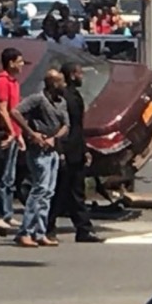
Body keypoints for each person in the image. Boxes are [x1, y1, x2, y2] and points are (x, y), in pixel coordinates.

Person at [10, 70, 69, 248]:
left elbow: (66, 125)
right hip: (38, 151)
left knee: (48, 192)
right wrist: (31, 133)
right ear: (53, 84)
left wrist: (55, 138)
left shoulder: (61, 102)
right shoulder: (38, 99)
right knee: (39, 189)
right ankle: (25, 232)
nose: (64, 85)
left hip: (53, 151)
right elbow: (15, 112)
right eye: (61, 82)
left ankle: (40, 232)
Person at [46, 64, 103, 243]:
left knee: (76, 192)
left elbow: (79, 127)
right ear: (71, 75)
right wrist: (62, 150)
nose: (81, 77)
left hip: (77, 149)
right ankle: (47, 227)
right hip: (66, 150)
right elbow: (64, 126)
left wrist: (84, 149)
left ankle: (83, 229)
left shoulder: (74, 95)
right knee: (59, 192)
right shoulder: (64, 98)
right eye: (79, 74)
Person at [0, 48, 26, 235]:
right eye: (20, 61)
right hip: (3, 133)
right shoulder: (2, 81)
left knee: (9, 177)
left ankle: (7, 214)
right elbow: (3, 109)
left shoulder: (14, 82)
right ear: (11, 63)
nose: (22, 65)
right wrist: (10, 131)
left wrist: (19, 134)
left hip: (13, 134)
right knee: (1, 177)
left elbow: (15, 110)